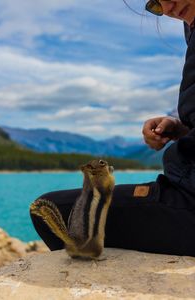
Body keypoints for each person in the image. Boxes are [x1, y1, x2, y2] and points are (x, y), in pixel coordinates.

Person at [30, 0, 195, 257]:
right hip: (183, 187)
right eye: (155, 5)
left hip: (189, 199)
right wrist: (179, 128)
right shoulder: (191, 28)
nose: (168, 8)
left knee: (48, 209)